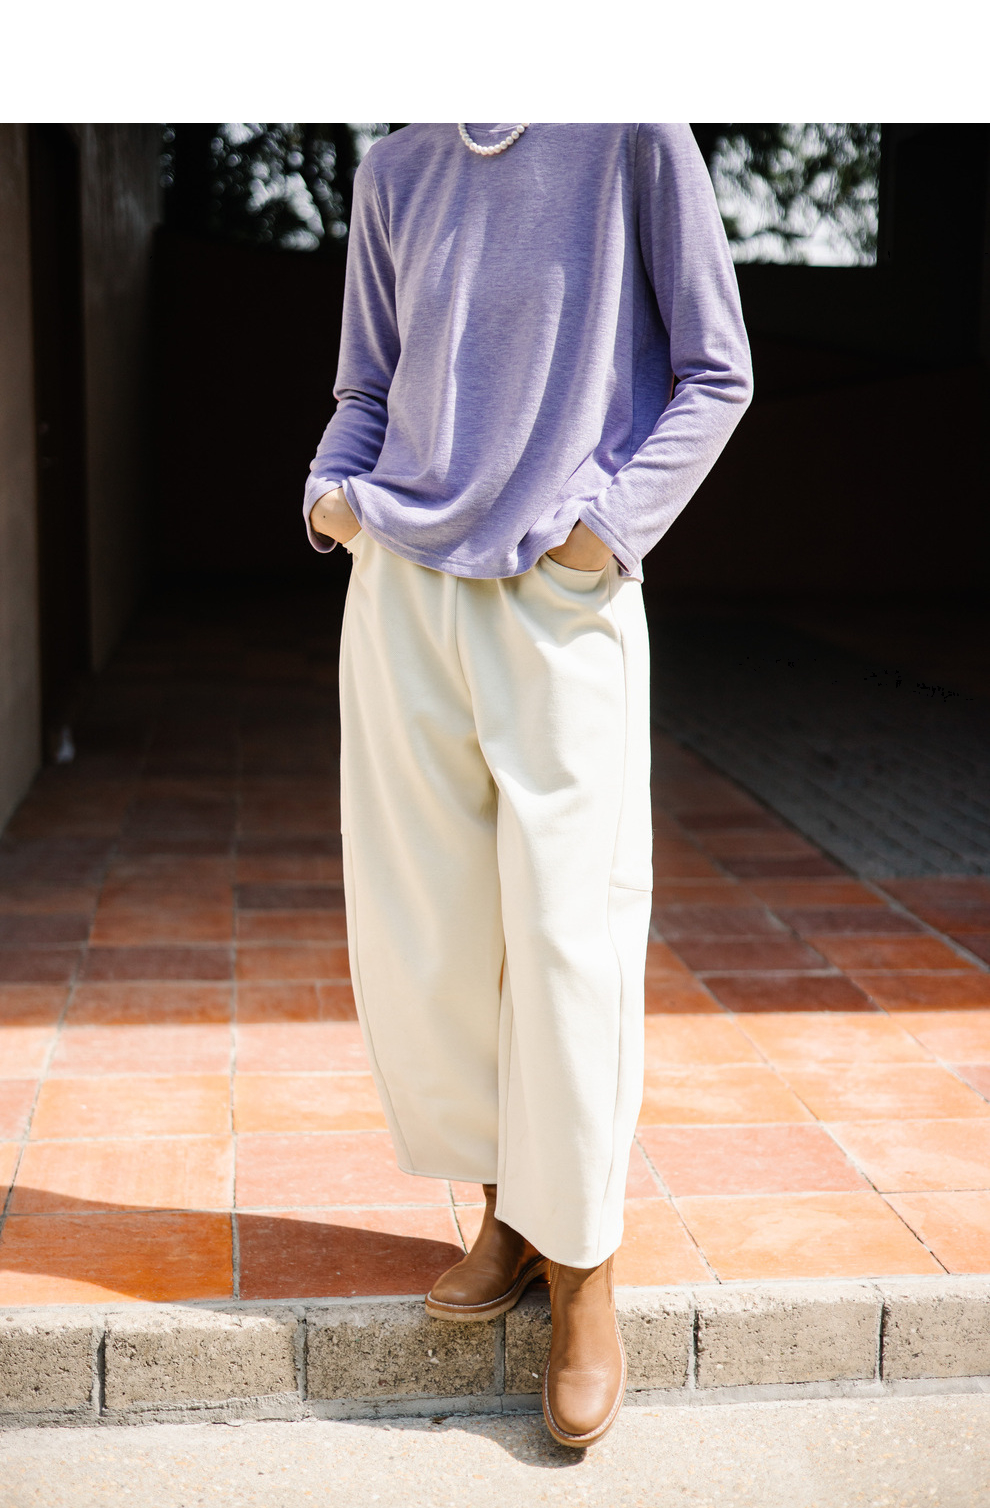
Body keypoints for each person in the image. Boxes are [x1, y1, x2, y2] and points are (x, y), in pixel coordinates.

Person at [304, 122, 752, 1448]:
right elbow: (366, 385)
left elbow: (716, 371)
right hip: (403, 588)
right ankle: (506, 1211)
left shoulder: (631, 133)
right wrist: (332, 494)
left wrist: (603, 532)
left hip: (561, 598)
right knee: (432, 937)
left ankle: (585, 1272)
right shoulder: (394, 169)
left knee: (570, 938)